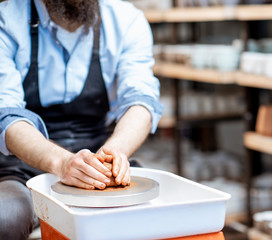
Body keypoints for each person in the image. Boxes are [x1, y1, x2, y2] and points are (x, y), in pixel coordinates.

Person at [0, 0, 163, 239]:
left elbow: (141, 101)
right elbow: (6, 113)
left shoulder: (125, 20)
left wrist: (112, 155)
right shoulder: (7, 20)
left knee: (154, 213)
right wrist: (63, 163)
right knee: (7, 217)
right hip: (22, 164)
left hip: (99, 154)